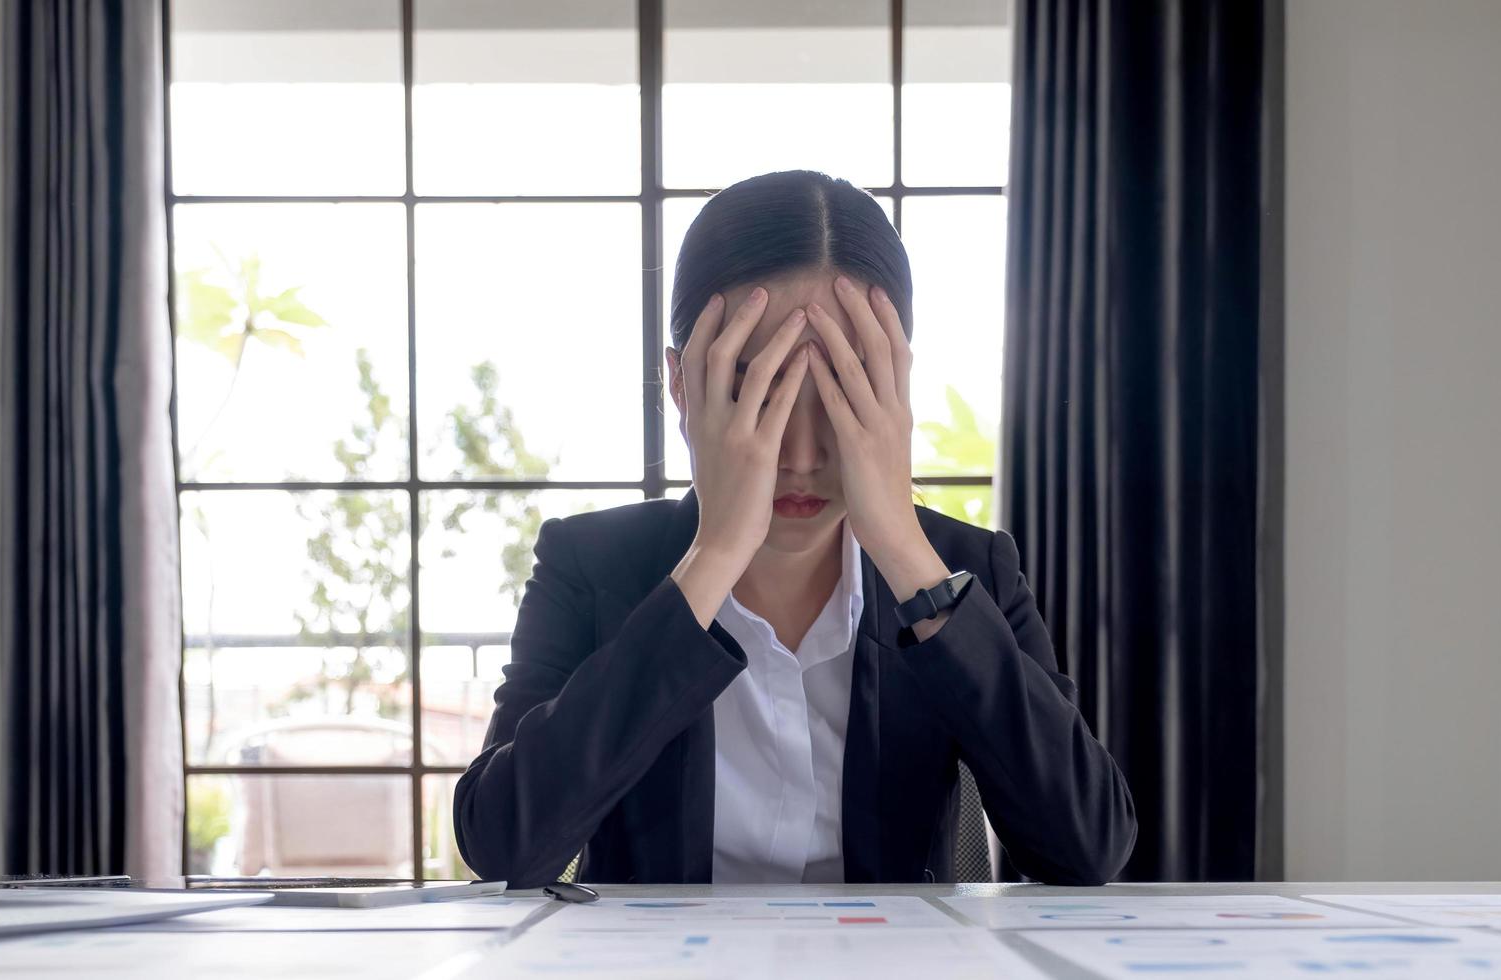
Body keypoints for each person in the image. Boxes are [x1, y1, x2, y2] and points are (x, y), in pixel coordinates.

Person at [452, 170, 1135, 887]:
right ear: (682, 386)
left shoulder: (965, 570)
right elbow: (504, 845)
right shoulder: (590, 564)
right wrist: (713, 558)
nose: (803, 455)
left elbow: (1086, 847)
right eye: (760, 390)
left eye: (843, 390)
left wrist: (904, 553)